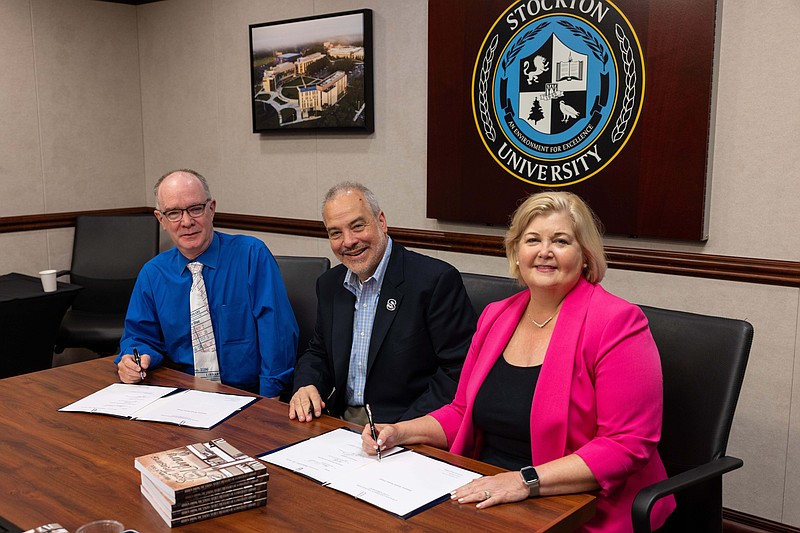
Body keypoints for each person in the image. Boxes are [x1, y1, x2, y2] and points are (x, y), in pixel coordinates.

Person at [361, 191, 675, 531]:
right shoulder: (496, 317)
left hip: (579, 507)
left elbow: (626, 444)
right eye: (532, 240)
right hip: (485, 490)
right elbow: (463, 412)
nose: (544, 252)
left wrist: (524, 482)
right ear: (516, 253)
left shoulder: (618, 323)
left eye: (561, 241)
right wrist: (399, 431)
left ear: (585, 255)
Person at [288, 182, 477, 424]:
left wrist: (406, 429)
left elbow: (458, 371)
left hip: (409, 425)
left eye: (357, 226)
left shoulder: (434, 281)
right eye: (335, 233)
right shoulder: (330, 285)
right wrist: (307, 385)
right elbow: (319, 352)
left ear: (381, 221)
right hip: (338, 422)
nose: (348, 241)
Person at [115, 169, 298, 398]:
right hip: (181, 394)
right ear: (161, 219)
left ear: (211, 209)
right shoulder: (153, 274)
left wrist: (269, 401)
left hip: (247, 395)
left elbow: (277, 338)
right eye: (173, 213)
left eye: (195, 209)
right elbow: (139, 336)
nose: (186, 222)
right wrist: (134, 360)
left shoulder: (252, 255)